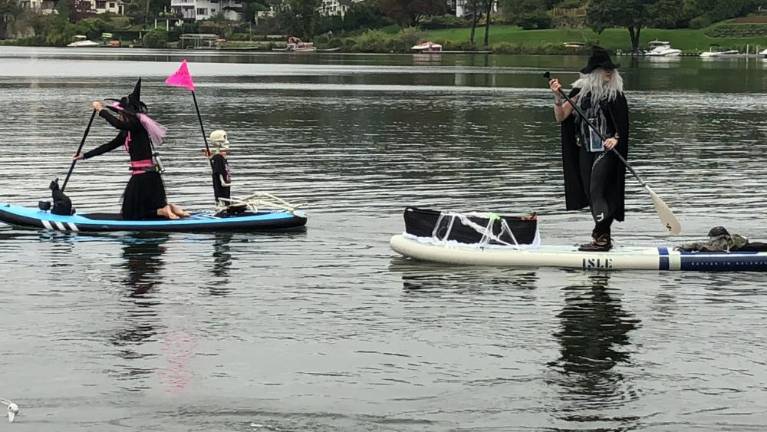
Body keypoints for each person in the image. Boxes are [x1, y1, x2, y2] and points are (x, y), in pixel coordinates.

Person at [549, 47, 629, 252]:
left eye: (611, 68)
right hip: (585, 148)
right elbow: (561, 117)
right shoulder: (578, 93)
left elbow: (622, 125)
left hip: (606, 150)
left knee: (596, 189)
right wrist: (558, 97)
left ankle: (601, 236)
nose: (609, 72)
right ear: (594, 71)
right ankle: (603, 238)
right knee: (590, 192)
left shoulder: (615, 95)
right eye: (604, 68)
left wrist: (616, 138)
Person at [74, 79, 189, 220]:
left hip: (143, 177)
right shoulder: (126, 132)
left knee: (130, 214)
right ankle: (168, 208)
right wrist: (84, 155)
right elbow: (108, 146)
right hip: (147, 176)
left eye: (120, 113)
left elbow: (117, 124)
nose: (119, 116)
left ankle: (166, 210)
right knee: (145, 210)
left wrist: (101, 111)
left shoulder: (137, 126)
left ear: (127, 114)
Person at [203, 130, 232, 206]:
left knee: (226, 199)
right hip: (222, 193)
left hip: (226, 192)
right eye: (224, 140)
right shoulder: (218, 158)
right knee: (223, 200)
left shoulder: (222, 158)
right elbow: (219, 176)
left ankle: (226, 205)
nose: (227, 143)